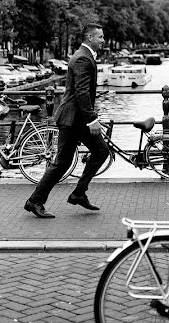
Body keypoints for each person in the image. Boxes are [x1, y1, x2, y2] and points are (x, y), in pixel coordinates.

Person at [25, 24, 110, 219]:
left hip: (77, 119)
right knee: (63, 162)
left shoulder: (85, 56)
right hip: (72, 119)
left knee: (100, 151)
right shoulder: (82, 58)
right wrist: (92, 119)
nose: (103, 40)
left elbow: (83, 93)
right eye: (100, 37)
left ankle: (79, 193)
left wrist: (90, 117)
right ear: (89, 37)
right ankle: (35, 201)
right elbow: (80, 92)